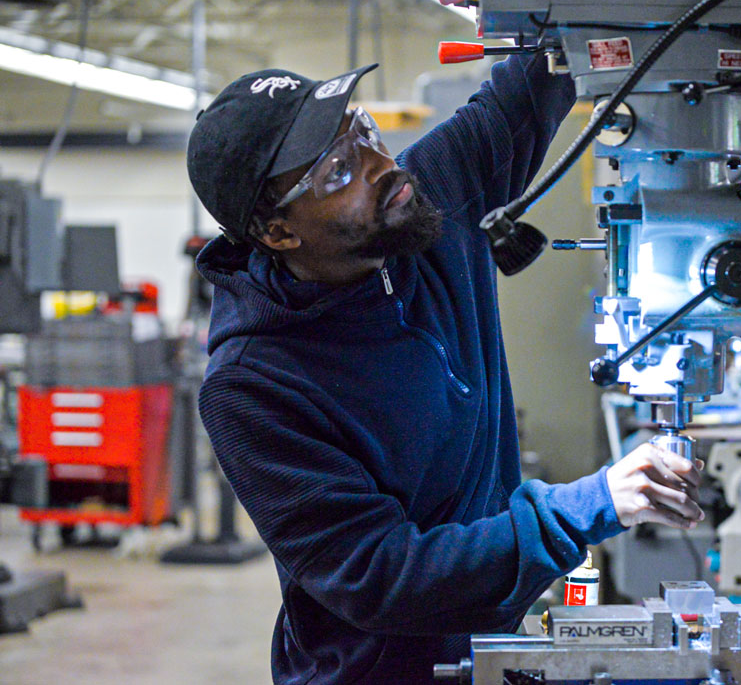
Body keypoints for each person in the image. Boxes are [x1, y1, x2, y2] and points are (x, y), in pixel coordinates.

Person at [185, 54, 705, 685]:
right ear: (278, 233)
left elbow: (527, 92)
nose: (380, 165)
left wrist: (576, 17)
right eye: (339, 171)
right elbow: (382, 575)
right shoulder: (251, 385)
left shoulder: (417, 199)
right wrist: (584, 507)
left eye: (362, 129)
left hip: (489, 646)